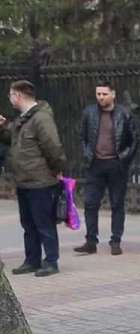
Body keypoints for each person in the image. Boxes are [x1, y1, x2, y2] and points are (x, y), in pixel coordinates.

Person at [0, 80, 67, 277]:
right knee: (28, 224)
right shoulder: (23, 118)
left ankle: (51, 261)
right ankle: (32, 259)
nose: (10, 99)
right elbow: (10, 139)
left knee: (43, 223)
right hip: (24, 181)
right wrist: (2, 128)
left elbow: (53, 147)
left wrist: (58, 169)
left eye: (11, 95)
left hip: (41, 181)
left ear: (19, 95)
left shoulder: (41, 118)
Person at [75, 80, 137, 256]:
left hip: (116, 165)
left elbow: (134, 140)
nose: (101, 97)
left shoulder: (124, 114)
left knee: (117, 204)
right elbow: (83, 137)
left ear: (113, 94)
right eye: (98, 94)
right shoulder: (89, 113)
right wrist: (88, 154)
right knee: (90, 203)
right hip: (96, 164)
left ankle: (115, 240)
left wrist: (123, 158)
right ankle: (90, 241)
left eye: (104, 94)